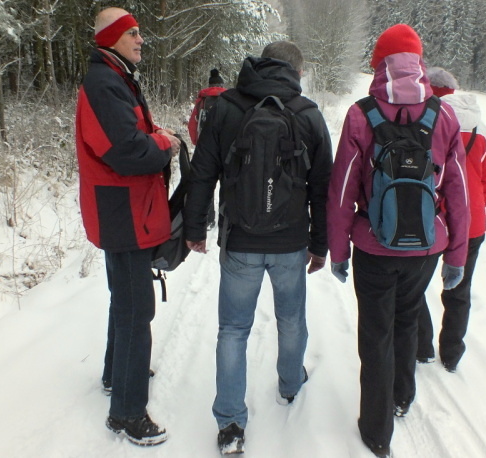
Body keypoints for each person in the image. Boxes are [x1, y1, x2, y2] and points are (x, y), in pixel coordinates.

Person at [326, 25, 469, 458]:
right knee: (406, 320)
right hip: (426, 248)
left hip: (374, 246)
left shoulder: (361, 114)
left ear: (379, 65)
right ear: (419, 63)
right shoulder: (444, 116)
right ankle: (402, 397)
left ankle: (376, 431)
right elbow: (459, 192)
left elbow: (342, 189)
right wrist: (457, 256)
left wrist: (338, 250)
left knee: (375, 334)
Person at [183, 41, 332, 455]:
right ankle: (290, 383)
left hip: (240, 241)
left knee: (233, 329)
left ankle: (230, 422)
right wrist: (320, 244)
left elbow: (202, 173)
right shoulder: (308, 114)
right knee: (291, 319)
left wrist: (195, 227)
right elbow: (323, 187)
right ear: (297, 73)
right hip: (290, 243)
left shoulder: (225, 108)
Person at [75, 6, 180, 447]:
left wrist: (155, 133)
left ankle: (113, 375)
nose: (140, 39)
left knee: (125, 300)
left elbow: (128, 134)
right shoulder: (105, 82)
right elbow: (128, 151)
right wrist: (165, 144)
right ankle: (127, 413)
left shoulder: (114, 77)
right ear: (112, 38)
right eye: (132, 32)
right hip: (123, 212)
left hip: (120, 209)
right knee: (138, 311)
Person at [416, 66, 486, 372]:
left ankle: (422, 346)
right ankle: (451, 355)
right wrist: (473, 209)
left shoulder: (427, 120)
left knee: (413, 285)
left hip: (433, 219)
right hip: (472, 224)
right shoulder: (480, 129)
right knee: (459, 290)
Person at [188, 69, 227, 230]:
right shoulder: (229, 101)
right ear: (222, 85)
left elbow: (192, 125)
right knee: (226, 183)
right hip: (225, 149)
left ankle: (208, 219)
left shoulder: (201, 101)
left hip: (205, 149)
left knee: (205, 184)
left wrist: (197, 143)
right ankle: (225, 218)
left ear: (209, 85)